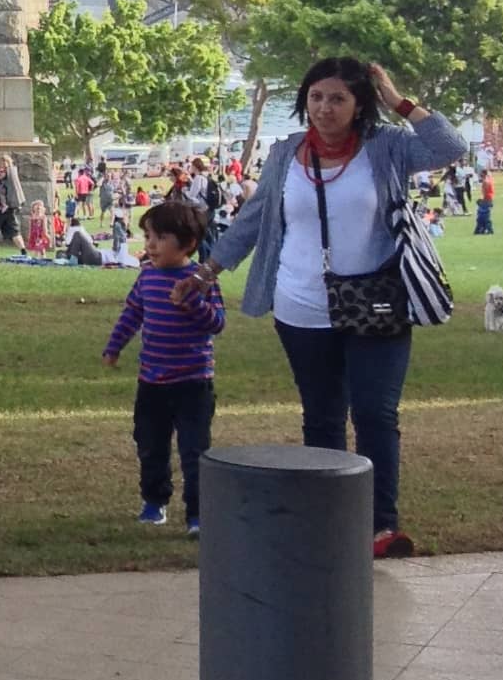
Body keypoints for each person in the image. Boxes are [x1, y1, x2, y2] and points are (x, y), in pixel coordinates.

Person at [210, 53, 462, 559]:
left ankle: (379, 524)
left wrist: (397, 100)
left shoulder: (385, 146)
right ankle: (326, 518)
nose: (324, 108)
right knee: (322, 417)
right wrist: (207, 270)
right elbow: (252, 221)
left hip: (377, 304)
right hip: (301, 306)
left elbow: (448, 146)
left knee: (375, 413)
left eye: (338, 98)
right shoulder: (285, 154)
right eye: (316, 97)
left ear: (359, 104)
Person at [102, 196, 224, 532]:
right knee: (150, 446)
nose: (151, 246)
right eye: (147, 238)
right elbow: (132, 315)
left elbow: (217, 323)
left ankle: (198, 514)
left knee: (194, 451)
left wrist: (192, 306)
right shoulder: (146, 278)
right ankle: (154, 501)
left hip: (193, 383)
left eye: (160, 238)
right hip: (152, 382)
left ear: (188, 244)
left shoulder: (201, 282)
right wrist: (114, 347)